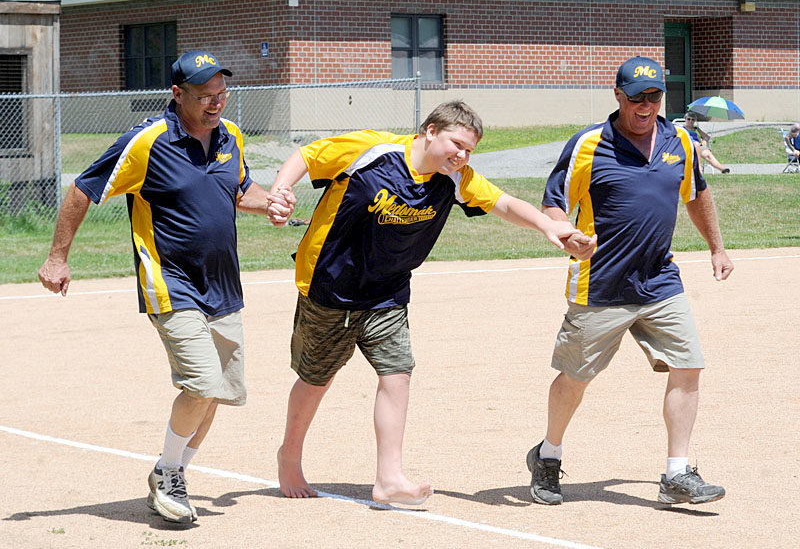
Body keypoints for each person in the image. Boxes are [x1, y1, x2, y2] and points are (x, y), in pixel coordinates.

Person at [271, 100, 597, 505]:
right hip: (329, 288)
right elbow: (307, 155)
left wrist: (552, 226)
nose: (460, 156)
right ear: (429, 131)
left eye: (469, 151)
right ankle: (290, 454)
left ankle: (389, 477)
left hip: (387, 294)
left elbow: (504, 203)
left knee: (397, 373)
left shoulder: (455, 179)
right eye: (456, 144)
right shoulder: (372, 151)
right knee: (316, 379)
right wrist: (281, 190)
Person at [37, 50, 295, 523]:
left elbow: (240, 191)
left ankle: (169, 473)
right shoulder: (147, 141)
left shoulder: (230, 137)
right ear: (178, 95)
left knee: (216, 391)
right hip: (170, 283)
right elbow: (83, 188)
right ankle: (170, 473)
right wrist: (57, 256)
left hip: (223, 285)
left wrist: (270, 205)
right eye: (204, 96)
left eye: (221, 94)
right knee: (200, 380)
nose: (216, 104)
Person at [527, 56, 734, 506]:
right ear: (617, 95)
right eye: (636, 97)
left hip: (660, 280)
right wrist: (567, 234)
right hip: (600, 284)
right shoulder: (586, 145)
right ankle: (548, 455)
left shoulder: (678, 139)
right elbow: (553, 203)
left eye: (654, 96)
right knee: (574, 378)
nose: (646, 105)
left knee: (688, 365)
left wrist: (717, 247)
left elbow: (697, 195)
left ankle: (676, 474)